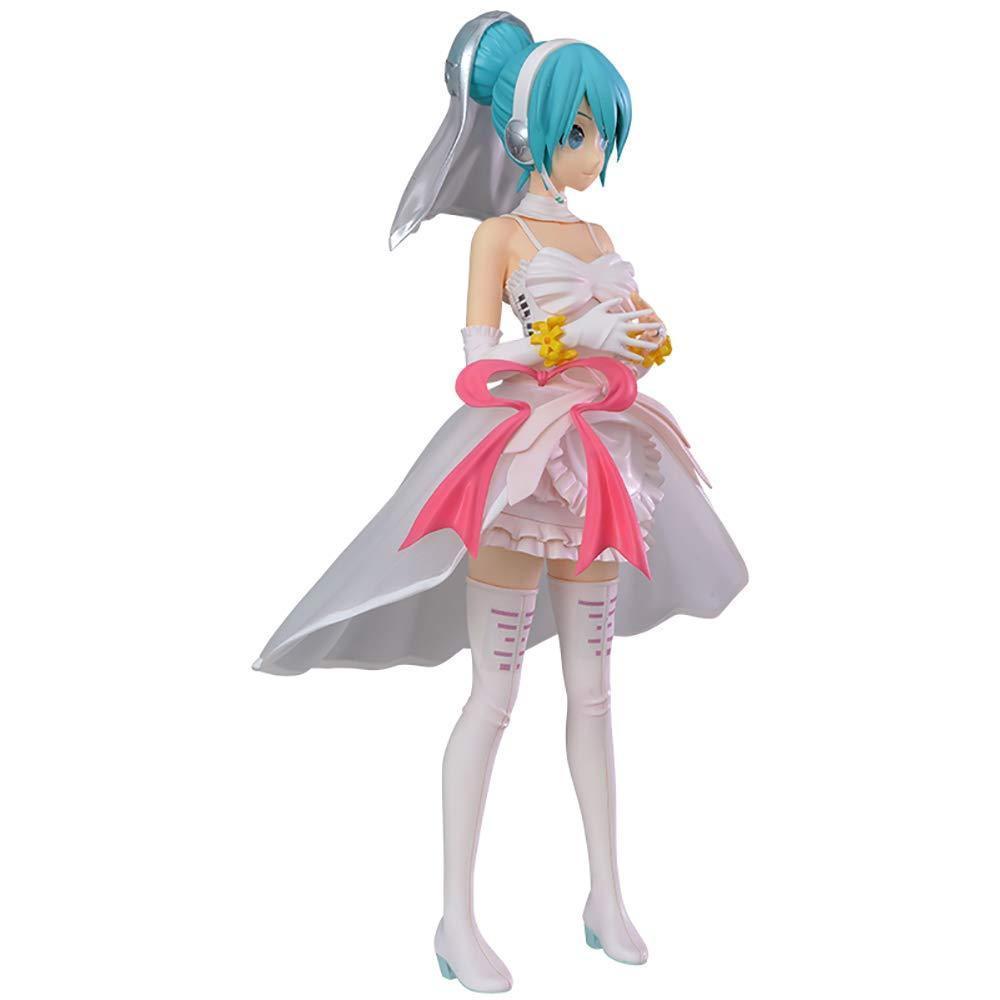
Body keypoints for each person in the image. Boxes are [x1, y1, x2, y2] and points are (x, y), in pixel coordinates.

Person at [252, 12, 747, 993]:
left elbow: (627, 341)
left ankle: (605, 893)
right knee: (495, 692)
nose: (594, 153)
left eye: (602, 133)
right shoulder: (499, 236)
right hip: (524, 472)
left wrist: (632, 347)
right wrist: (563, 348)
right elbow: (477, 370)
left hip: (601, 464)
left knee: (595, 691)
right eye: (580, 132)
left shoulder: (599, 233)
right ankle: (456, 914)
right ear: (530, 131)